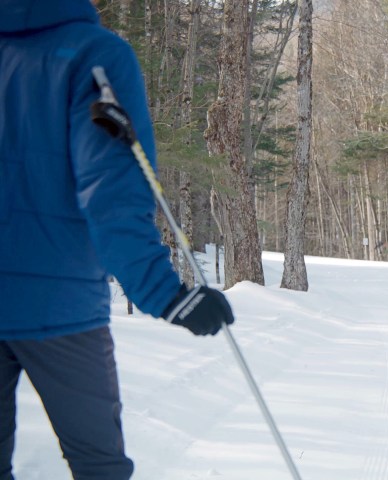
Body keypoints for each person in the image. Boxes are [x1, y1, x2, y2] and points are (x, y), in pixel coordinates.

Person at [0, 1, 235, 479]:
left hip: (58, 299)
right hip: (58, 305)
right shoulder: (94, 54)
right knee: (98, 464)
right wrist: (166, 295)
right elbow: (111, 190)